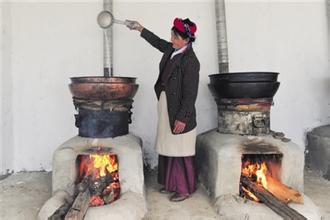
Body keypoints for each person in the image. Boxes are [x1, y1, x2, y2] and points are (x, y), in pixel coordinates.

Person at [126, 18, 200, 202]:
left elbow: (191, 94)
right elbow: (157, 42)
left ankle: (184, 188)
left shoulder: (191, 61)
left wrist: (183, 118)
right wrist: (140, 28)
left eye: (175, 37)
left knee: (180, 148)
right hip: (167, 106)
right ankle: (170, 184)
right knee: (168, 146)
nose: (171, 39)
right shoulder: (171, 49)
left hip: (180, 110)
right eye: (172, 36)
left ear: (186, 40)